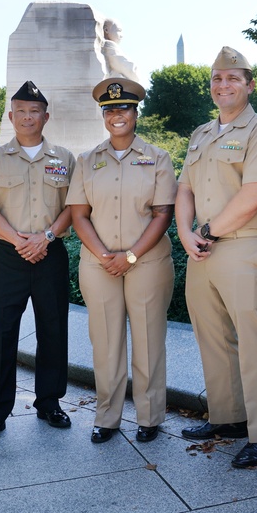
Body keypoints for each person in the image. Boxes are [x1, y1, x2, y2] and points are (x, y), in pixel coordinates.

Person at [176, 46, 257, 468]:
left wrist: (204, 232)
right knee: (213, 338)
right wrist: (185, 233)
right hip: (201, 249)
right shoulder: (201, 134)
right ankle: (227, 418)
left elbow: (254, 193)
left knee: (254, 341)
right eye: (218, 79)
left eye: (233, 78)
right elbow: (184, 188)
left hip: (242, 246)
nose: (224, 85)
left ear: (249, 84)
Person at [67, 77, 177, 444]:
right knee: (106, 340)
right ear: (103, 115)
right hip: (99, 264)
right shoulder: (86, 161)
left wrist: (129, 255)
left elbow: (163, 213)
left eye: (124, 108)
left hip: (146, 262)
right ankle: (107, 417)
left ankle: (149, 416)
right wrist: (104, 255)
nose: (117, 114)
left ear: (135, 112)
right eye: (110, 109)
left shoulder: (158, 158)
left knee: (148, 339)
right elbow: (80, 214)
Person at [0, 81, 76, 445]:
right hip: (9, 257)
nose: (28, 117)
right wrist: (19, 241)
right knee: (1, 335)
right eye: (21, 111)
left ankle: (49, 403)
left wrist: (44, 238)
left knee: (53, 329)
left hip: (50, 254)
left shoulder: (64, 158)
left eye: (35, 112)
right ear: (11, 116)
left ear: (46, 116)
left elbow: (74, 209)